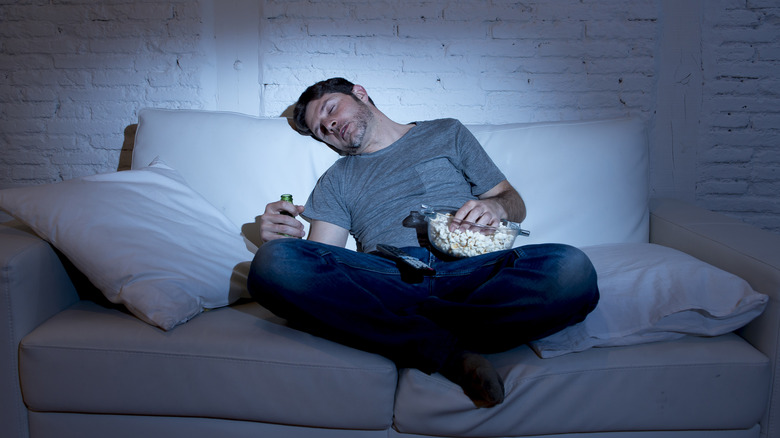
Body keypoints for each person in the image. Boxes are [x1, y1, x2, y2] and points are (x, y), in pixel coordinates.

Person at [247, 77, 599, 408]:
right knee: (274, 263)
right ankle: (445, 351)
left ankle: (407, 330)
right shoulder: (336, 179)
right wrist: (281, 239)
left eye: (330, 109)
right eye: (322, 131)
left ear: (359, 92)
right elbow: (326, 258)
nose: (330, 126)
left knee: (571, 268)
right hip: (391, 277)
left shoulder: (446, 132)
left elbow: (512, 201)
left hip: (474, 273)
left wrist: (494, 205)